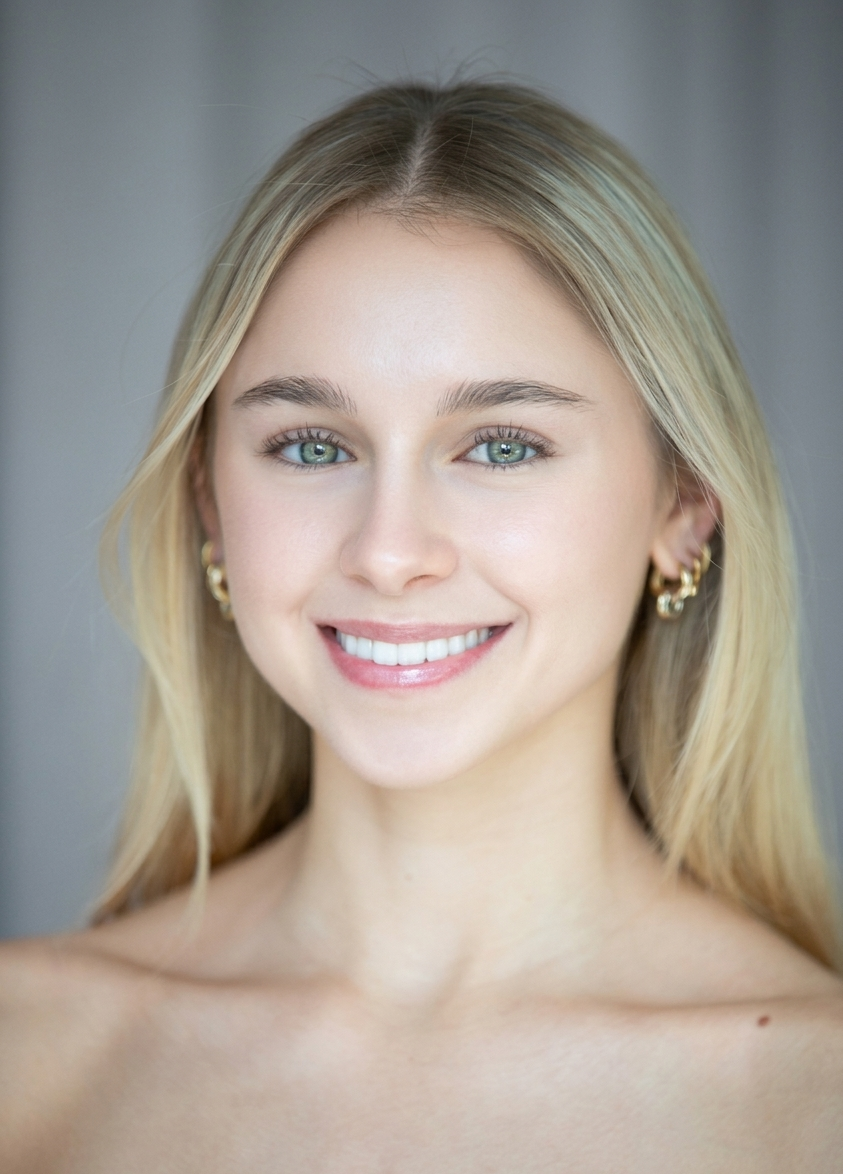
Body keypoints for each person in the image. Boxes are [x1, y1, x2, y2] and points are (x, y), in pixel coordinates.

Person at [1, 79, 841, 1172]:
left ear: (680, 505)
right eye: (311, 445)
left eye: (500, 445)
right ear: (209, 503)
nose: (390, 551)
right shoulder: (28, 1051)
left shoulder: (816, 1106)